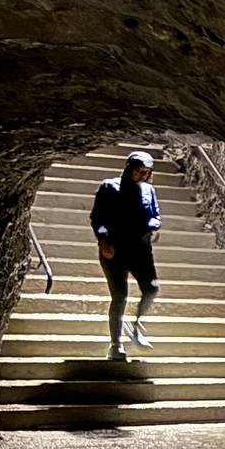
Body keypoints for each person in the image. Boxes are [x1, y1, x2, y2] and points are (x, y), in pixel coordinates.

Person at [88, 151, 163, 362]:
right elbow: (97, 218)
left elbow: (156, 215)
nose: (143, 176)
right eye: (139, 171)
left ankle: (135, 324)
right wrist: (103, 241)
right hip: (115, 250)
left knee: (151, 288)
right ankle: (115, 345)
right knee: (120, 296)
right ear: (129, 169)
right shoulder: (109, 187)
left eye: (147, 172)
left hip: (140, 250)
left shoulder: (148, 190)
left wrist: (152, 225)